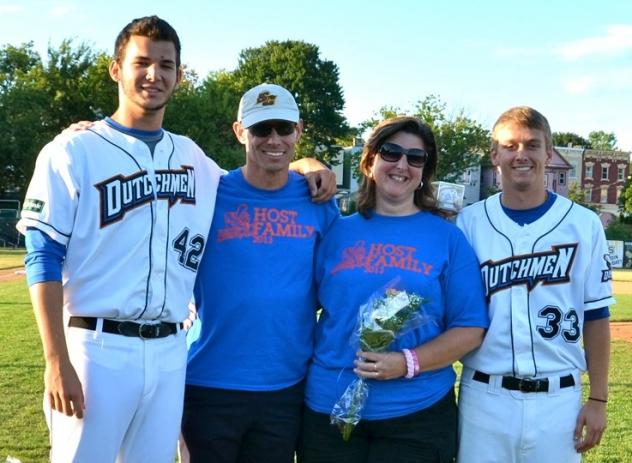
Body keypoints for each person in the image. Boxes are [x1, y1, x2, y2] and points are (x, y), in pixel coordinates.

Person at [17, 17, 333, 463]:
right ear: (116, 70)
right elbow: (42, 254)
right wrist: (55, 360)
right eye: (141, 62)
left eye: (165, 65)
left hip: (169, 353)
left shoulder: (191, 157)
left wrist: (307, 164)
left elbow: (259, 176)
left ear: (179, 76)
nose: (154, 74)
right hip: (96, 344)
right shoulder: (74, 150)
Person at [299, 116, 489, 463]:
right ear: (370, 161)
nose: (402, 164)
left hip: (416, 414)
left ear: (424, 172)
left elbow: (471, 327)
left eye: (416, 158)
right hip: (329, 408)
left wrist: (406, 362)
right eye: (391, 152)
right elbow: (296, 308)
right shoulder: (334, 232)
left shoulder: (448, 238)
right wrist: (305, 162)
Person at [180, 83, 340, 463]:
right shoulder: (210, 191)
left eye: (283, 129)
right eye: (261, 129)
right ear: (240, 132)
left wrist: (313, 165)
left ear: (298, 131)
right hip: (208, 380)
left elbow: (334, 283)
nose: (274, 139)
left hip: (285, 385)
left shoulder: (319, 201)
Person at [456, 106, 613, 463]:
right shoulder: (469, 223)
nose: (521, 154)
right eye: (509, 146)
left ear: (548, 151)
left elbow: (597, 316)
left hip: (559, 400)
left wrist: (599, 398)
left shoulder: (584, 225)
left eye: (532, 144)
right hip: (484, 397)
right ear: (494, 155)